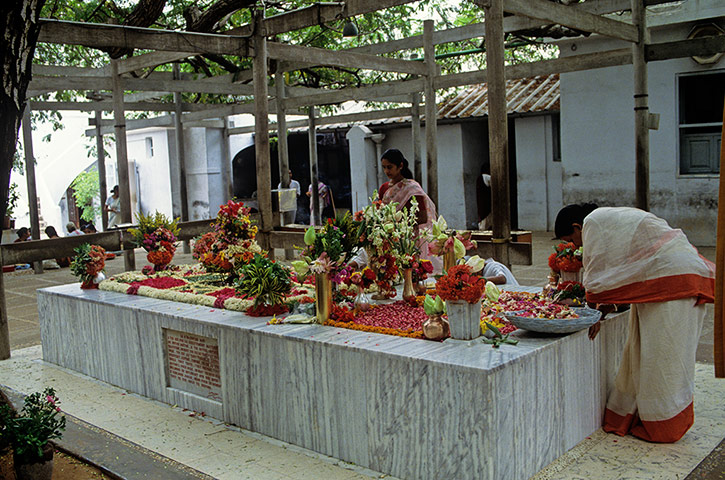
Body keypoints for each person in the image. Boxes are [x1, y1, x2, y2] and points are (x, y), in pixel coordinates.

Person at [554, 203, 715, 443]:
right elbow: (623, 268)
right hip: (664, 281)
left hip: (675, 286)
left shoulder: (594, 222)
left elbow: (596, 274)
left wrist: (591, 310)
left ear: (578, 227)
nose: (577, 247)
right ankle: (641, 414)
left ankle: (665, 425)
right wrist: (604, 308)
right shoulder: (608, 217)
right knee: (642, 353)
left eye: (573, 240)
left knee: (663, 357)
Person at [476, 163, 493, 231]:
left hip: (481, 201)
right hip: (487, 202)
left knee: (482, 215)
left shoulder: (479, 178)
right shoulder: (488, 177)